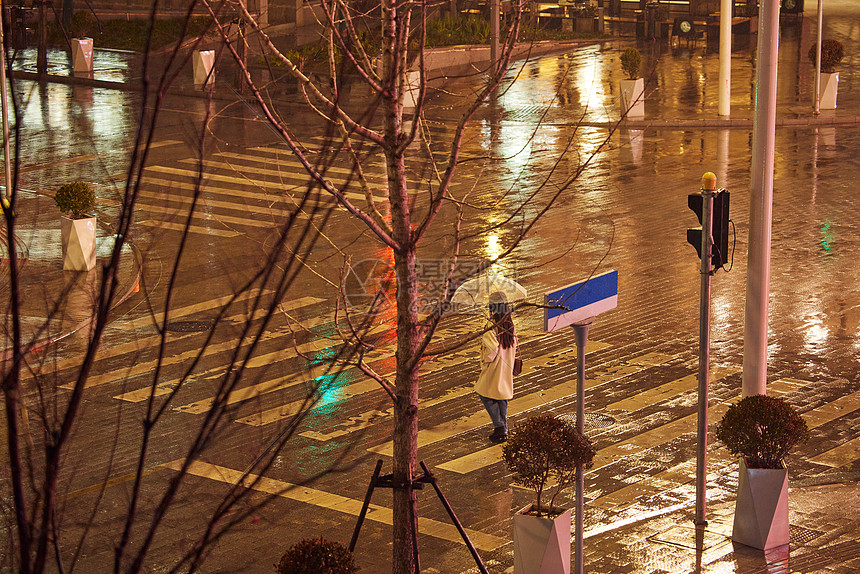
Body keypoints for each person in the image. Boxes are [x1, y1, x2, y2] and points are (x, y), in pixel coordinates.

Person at [474, 291, 518, 444]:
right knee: (501, 397)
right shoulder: (509, 323)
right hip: (505, 367)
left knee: (485, 394)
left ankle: (500, 426)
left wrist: (485, 360)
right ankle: (503, 428)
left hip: (493, 368)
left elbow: (491, 350)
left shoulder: (492, 325)